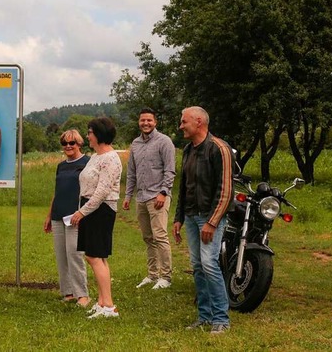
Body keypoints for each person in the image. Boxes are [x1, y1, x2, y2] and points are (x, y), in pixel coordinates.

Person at [172, 106, 234, 334]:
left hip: (209, 218)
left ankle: (221, 319)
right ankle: (204, 316)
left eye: (183, 121)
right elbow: (183, 187)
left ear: (198, 122)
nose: (180, 126)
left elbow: (225, 191)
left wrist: (212, 221)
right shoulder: (188, 150)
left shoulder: (220, 148)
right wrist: (178, 217)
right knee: (197, 266)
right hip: (190, 216)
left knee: (209, 264)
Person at [70, 117, 122, 319]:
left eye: (90, 132)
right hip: (91, 208)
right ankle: (102, 302)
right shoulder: (95, 157)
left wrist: (82, 212)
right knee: (98, 256)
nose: (87, 136)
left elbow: (102, 191)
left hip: (101, 209)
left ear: (99, 134)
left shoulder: (111, 158)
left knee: (93, 256)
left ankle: (108, 306)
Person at [123, 108, 176, 290]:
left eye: (149, 120)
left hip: (158, 196)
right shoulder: (135, 144)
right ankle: (153, 275)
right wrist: (128, 195)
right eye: (142, 120)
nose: (145, 123)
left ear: (155, 122)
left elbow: (170, 170)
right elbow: (132, 172)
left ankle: (166, 277)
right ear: (139, 122)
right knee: (147, 237)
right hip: (142, 197)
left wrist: (163, 192)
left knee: (160, 235)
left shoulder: (164, 142)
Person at [44, 129, 91, 308]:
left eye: (72, 143)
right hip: (58, 215)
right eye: (64, 143)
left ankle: (83, 295)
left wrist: (84, 212)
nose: (68, 146)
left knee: (75, 254)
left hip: (76, 216)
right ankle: (68, 292)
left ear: (79, 143)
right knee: (61, 255)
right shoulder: (61, 166)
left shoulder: (88, 163)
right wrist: (49, 215)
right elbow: (57, 192)